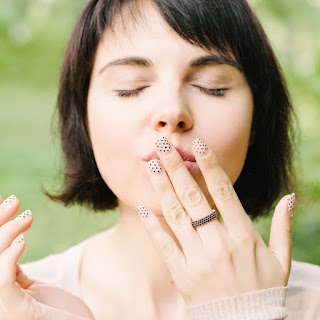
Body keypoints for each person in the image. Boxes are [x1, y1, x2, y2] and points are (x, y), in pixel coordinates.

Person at [1, 0, 319, 319]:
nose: (172, 111)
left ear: (257, 120)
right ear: (82, 116)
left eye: (213, 88)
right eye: (131, 88)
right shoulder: (20, 303)